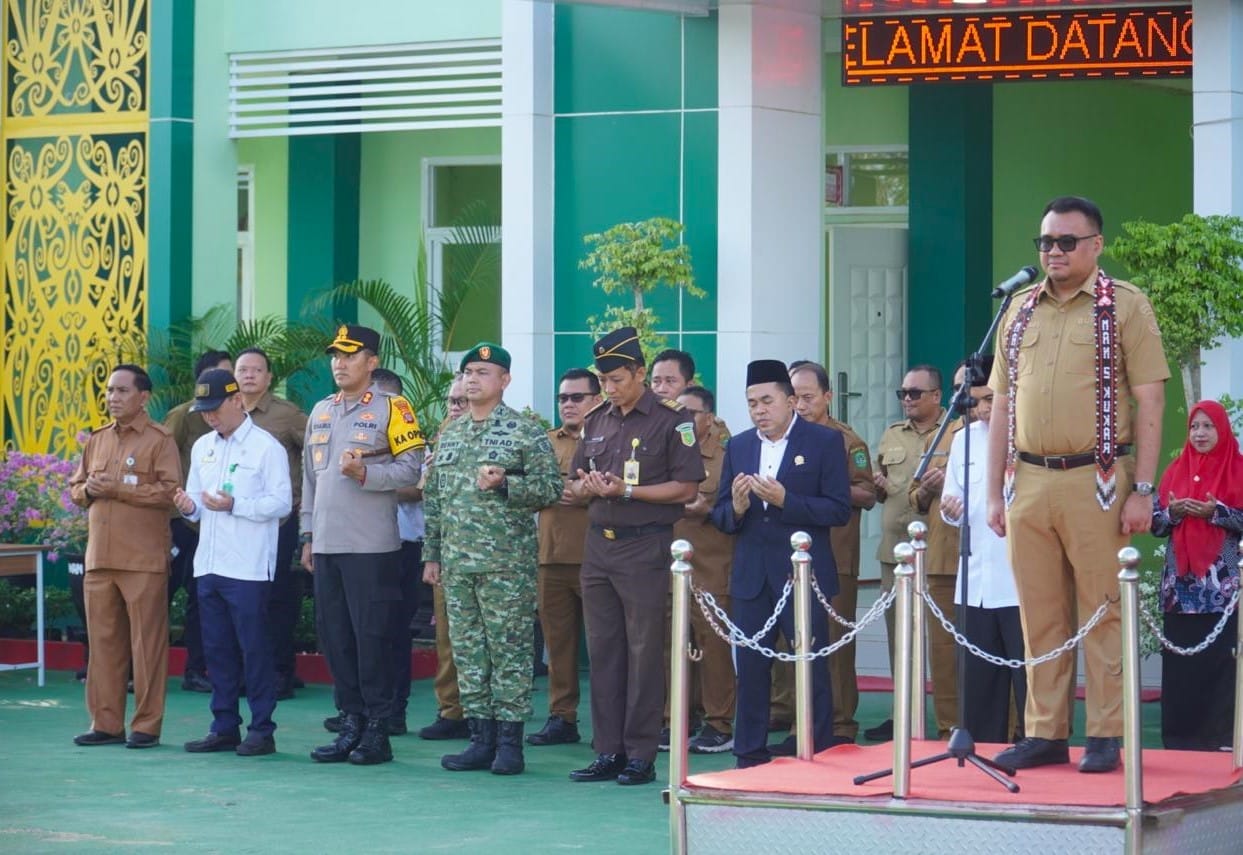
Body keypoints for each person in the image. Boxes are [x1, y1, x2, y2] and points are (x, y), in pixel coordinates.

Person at [987, 195, 1168, 774]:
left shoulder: (1125, 305)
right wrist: (993, 492)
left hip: (1098, 478)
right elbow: (1001, 404)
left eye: (1067, 241)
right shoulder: (1018, 310)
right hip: (1028, 478)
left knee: (1102, 609)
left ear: (1096, 245)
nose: (1054, 252)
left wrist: (1143, 489)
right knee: (1039, 614)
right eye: (1046, 242)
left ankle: (1107, 733)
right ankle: (1045, 732)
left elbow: (1149, 399)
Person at [566, 326, 703, 786]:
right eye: (604, 379)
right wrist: (587, 486)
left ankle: (641, 753)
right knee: (603, 650)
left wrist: (627, 490)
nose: (609, 387)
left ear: (640, 373)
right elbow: (574, 481)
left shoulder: (671, 421)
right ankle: (608, 749)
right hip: (598, 545)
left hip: (645, 544)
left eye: (617, 379)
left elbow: (686, 488)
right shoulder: (597, 420)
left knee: (644, 651)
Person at [423, 342, 561, 775]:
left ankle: (509, 743)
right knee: (467, 652)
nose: (472, 379)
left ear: (505, 380)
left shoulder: (524, 431)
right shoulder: (452, 432)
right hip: (457, 565)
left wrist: (506, 485)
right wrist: (432, 554)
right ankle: (480, 739)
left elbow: (550, 489)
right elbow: (435, 499)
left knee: (510, 652)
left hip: (505, 565)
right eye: (468, 372)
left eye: (483, 372)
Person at [710, 359, 851, 768]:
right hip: (752, 576)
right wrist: (737, 508)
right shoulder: (739, 446)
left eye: (767, 401)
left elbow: (839, 509)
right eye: (752, 403)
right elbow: (720, 515)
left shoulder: (824, 442)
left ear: (790, 401)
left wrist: (787, 501)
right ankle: (749, 754)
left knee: (811, 665)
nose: (759, 410)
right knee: (751, 668)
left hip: (802, 575)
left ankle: (817, 751)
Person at [302, 325, 425, 766]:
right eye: (335, 355)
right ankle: (350, 722)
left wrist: (367, 475)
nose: (339, 363)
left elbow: (411, 470)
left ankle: (378, 728)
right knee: (336, 638)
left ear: (372, 362)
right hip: (327, 544)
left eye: (350, 355)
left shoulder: (394, 408)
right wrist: (308, 536)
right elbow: (309, 480)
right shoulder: (321, 410)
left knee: (372, 638)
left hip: (371, 547)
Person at [174, 369, 292, 756]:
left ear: (237, 401)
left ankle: (262, 729)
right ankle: (224, 725)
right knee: (217, 649)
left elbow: (281, 503)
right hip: (209, 562)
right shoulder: (202, 447)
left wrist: (236, 505)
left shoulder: (266, 447)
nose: (209, 416)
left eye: (215, 408)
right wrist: (187, 506)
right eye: (204, 410)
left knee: (254, 649)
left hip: (248, 566)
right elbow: (196, 503)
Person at [70, 364, 181, 749]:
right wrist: (88, 490)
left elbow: (171, 493)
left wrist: (118, 489)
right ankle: (106, 724)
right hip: (100, 559)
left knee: (146, 648)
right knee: (102, 646)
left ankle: (146, 726)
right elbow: (76, 488)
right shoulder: (97, 439)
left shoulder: (159, 440)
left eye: (121, 391)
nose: (113, 398)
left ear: (143, 397)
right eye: (109, 391)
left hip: (143, 560)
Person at [785, 361, 877, 743]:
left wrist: (827, 485)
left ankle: (839, 724)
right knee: (794, 639)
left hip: (836, 555)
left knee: (835, 642)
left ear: (827, 396)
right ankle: (800, 722)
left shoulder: (847, 441)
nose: (801, 405)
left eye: (808, 397)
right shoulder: (784, 436)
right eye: (795, 398)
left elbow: (868, 493)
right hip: (791, 555)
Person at [938, 358, 1026, 745]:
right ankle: (984, 751)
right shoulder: (963, 439)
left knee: (1030, 682)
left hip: (1020, 580)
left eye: (991, 398)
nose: (984, 409)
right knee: (979, 685)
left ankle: (1037, 747)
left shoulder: (1029, 436)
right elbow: (951, 500)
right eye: (976, 401)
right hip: (975, 580)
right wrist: (950, 510)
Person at [1151, 400, 1242, 751]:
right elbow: (1156, 524)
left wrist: (1215, 512)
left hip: (1223, 589)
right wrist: (1173, 513)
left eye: (1208, 426)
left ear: (1222, 430)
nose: (1200, 433)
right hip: (1180, 590)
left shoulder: (1238, 469)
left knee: (1220, 664)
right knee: (1182, 665)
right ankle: (1179, 740)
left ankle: (1220, 739)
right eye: (1194, 427)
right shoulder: (1175, 471)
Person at [865, 364, 945, 742]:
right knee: (900, 638)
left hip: (940, 551)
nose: (907, 400)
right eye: (903, 393)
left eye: (915, 393)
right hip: (895, 551)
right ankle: (903, 715)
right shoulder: (891, 434)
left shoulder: (954, 432)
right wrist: (878, 486)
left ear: (936, 396)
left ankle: (950, 716)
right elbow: (880, 490)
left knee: (943, 639)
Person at [529, 368, 601, 747]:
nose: (568, 404)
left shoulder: (609, 438)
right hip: (551, 558)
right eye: (562, 398)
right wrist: (562, 490)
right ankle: (562, 717)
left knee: (605, 648)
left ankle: (609, 723)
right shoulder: (544, 442)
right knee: (558, 647)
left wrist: (585, 494)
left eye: (577, 397)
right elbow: (530, 489)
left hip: (597, 559)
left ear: (597, 400)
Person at [233, 347, 308, 700]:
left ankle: (280, 672)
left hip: (278, 521)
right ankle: (248, 672)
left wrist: (303, 495)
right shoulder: (228, 412)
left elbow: (317, 451)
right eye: (242, 370)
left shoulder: (286, 414)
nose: (249, 375)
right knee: (243, 598)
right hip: (237, 522)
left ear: (269, 377)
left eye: (256, 370)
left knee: (275, 597)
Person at [908, 363, 975, 740]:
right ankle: (949, 726)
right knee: (945, 652)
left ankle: (1009, 727)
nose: (964, 393)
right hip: (944, 557)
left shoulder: (1010, 429)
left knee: (995, 647)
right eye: (957, 386)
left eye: (971, 385)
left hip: (995, 560)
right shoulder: (942, 434)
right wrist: (929, 488)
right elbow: (913, 497)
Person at [670, 385, 737, 754]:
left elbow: (736, 512)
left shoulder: (728, 456)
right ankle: (676, 718)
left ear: (709, 418)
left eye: (691, 413)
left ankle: (718, 723)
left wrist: (707, 510)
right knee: (671, 645)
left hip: (711, 565)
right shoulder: (662, 451)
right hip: (667, 565)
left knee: (713, 647)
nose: (682, 419)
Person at [164, 349, 233, 693]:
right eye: (225, 373)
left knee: (200, 599)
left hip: (214, 524)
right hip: (180, 521)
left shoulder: (235, 420)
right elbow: (161, 462)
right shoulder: (182, 416)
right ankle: (138, 668)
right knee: (160, 594)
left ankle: (196, 669)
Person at [417, 375, 472, 741]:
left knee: (484, 641)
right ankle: (451, 709)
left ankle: (485, 714)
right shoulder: (442, 441)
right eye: (451, 401)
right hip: (448, 555)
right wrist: (431, 557)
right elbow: (430, 503)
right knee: (447, 638)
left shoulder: (504, 437)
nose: (455, 408)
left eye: (461, 401)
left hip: (489, 558)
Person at [372, 368, 425, 736]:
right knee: (365, 629)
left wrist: (369, 483)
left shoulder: (408, 433)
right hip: (365, 545)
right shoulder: (358, 433)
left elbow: (417, 486)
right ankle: (363, 708)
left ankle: (395, 709)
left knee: (395, 630)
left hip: (404, 546)